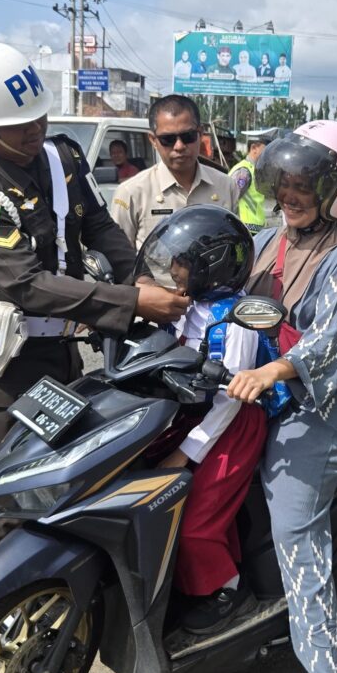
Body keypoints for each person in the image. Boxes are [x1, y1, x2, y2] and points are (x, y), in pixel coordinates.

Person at [0, 42, 190, 552]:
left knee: (65, 473)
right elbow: (26, 284)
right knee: (14, 491)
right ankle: (9, 617)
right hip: (4, 367)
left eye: (39, 117)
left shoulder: (62, 157)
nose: (34, 130)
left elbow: (100, 226)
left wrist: (140, 277)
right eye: (18, 126)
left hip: (60, 350)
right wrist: (130, 302)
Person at [225, 120, 337, 673]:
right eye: (283, 186)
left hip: (320, 408)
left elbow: (331, 341)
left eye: (305, 188)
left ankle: (329, 670)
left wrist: (276, 370)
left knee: (294, 532)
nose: (290, 199)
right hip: (260, 392)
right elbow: (230, 295)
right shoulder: (266, 239)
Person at [136, 205, 270, 635]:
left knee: (194, 523)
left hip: (230, 426)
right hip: (196, 415)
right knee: (204, 514)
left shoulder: (234, 320)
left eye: (181, 264)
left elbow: (230, 399)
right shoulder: (193, 306)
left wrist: (185, 452)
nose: (172, 271)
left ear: (209, 268)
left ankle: (229, 592)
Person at [109, 94, 240, 248]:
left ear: (200, 133)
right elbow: (120, 257)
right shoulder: (131, 192)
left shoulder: (226, 186)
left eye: (188, 136)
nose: (179, 146)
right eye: (168, 139)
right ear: (153, 140)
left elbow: (235, 246)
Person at [228, 129, 274, 232]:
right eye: (266, 150)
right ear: (254, 148)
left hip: (255, 232)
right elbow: (228, 199)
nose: (269, 155)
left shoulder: (254, 170)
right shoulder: (244, 172)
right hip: (244, 230)